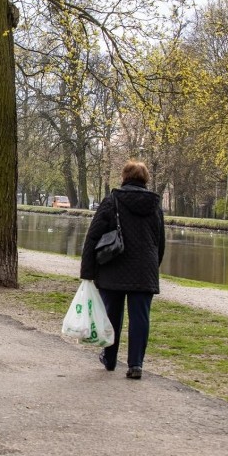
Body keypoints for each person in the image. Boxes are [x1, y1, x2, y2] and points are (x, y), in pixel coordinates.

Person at [80, 160, 165, 379]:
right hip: (144, 269)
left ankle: (109, 359)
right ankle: (135, 364)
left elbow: (93, 236)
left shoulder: (112, 200)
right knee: (140, 318)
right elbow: (160, 241)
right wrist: (153, 266)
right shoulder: (155, 204)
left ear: (124, 177)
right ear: (145, 179)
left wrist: (88, 272)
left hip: (114, 266)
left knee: (112, 315)